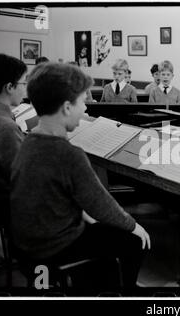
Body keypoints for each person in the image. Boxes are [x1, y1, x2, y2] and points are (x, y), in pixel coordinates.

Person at [10, 62, 151, 289]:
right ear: (67, 107)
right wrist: (134, 226)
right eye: (82, 102)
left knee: (98, 228)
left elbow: (60, 195)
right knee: (136, 241)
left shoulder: (29, 141)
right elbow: (100, 204)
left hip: (27, 243)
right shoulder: (68, 153)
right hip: (54, 246)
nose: (85, 109)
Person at [0, 52, 28, 223]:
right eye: (24, 82)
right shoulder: (4, 126)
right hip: (4, 203)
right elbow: (23, 175)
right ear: (10, 87)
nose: (25, 88)